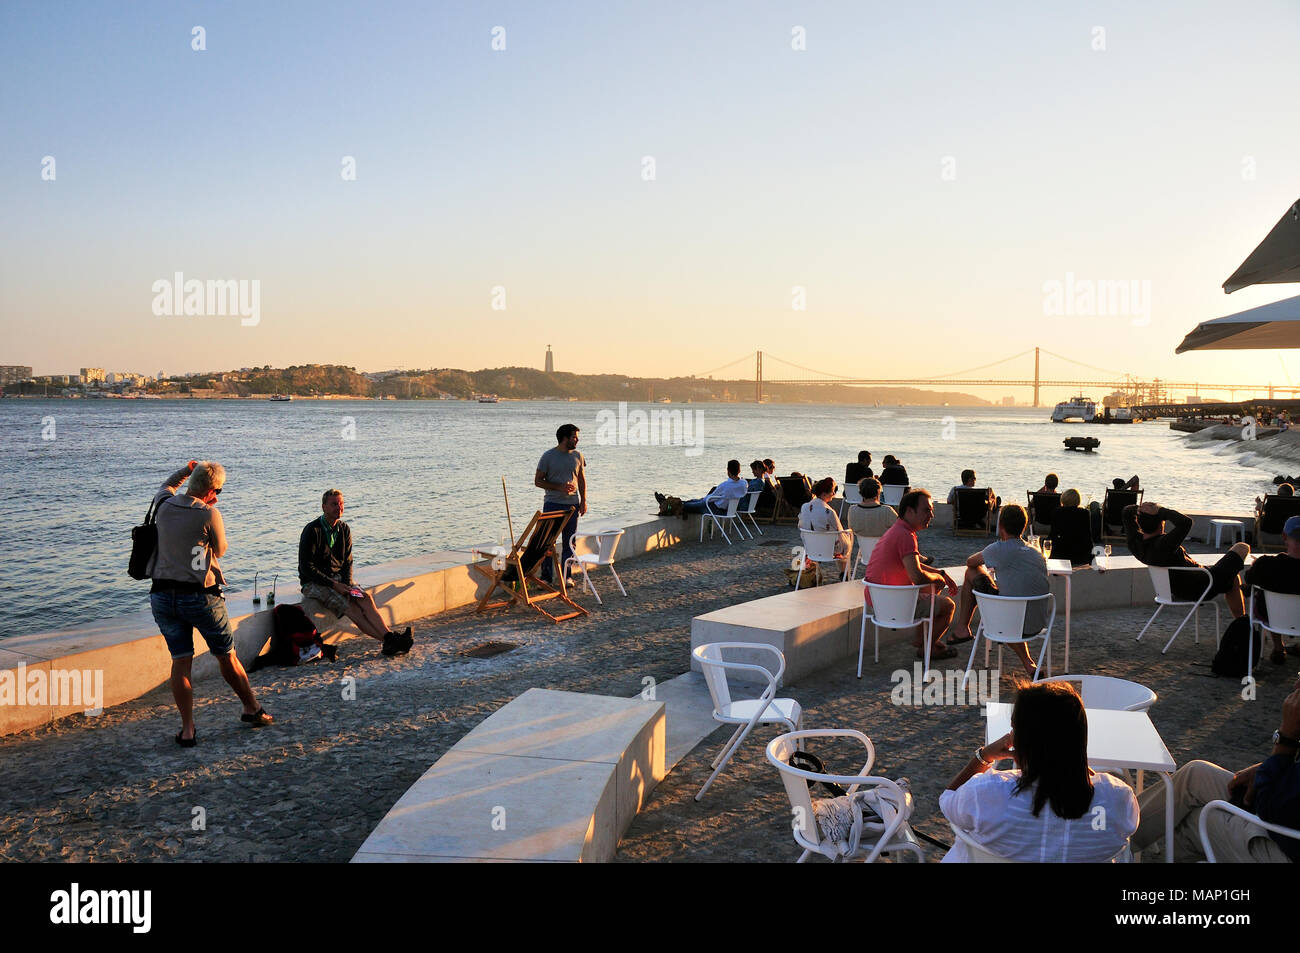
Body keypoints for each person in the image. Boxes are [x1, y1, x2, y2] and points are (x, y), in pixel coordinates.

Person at [939, 681, 1138, 862]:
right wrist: (1074, 762)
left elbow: (948, 798)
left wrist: (983, 756)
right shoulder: (1117, 798)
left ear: (1020, 741)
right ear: (1080, 738)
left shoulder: (985, 793)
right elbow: (1128, 828)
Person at [147, 461, 270, 746]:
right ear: (212, 490)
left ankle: (188, 729)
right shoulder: (209, 513)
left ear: (191, 482)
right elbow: (221, 550)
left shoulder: (163, 504)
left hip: (163, 595)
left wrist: (184, 472)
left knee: (180, 661)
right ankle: (251, 708)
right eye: (219, 490)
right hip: (200, 597)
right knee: (226, 655)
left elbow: (166, 485)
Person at [1132, 673, 1300, 862]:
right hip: (1285, 810)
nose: (1296, 684)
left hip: (1286, 843)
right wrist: (1270, 767)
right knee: (1195, 774)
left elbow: (1272, 808)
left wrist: (1286, 738)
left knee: (1192, 822)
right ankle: (1110, 839)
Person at [299, 489, 412, 658]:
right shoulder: (312, 530)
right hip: (314, 583)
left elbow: (347, 562)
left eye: (341, 504)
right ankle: (389, 640)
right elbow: (306, 568)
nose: (339, 508)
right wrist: (334, 585)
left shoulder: (344, 529)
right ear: (324, 507)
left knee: (365, 599)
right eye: (334, 504)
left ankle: (389, 638)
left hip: (338, 580)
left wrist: (347, 584)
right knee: (353, 609)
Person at [948, 504, 1050, 677]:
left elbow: (971, 562)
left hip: (1010, 623)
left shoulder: (999, 549)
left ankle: (963, 628)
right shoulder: (1036, 553)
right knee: (1013, 608)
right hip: (1037, 623)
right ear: (1023, 527)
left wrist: (993, 558)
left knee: (971, 573)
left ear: (1001, 526)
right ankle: (1029, 665)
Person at [863, 489, 958, 659]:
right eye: (927, 510)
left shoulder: (897, 530)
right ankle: (927, 647)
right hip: (895, 605)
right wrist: (938, 578)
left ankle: (922, 639)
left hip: (877, 601)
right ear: (909, 511)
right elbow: (917, 576)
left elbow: (912, 565)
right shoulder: (905, 535)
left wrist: (939, 573)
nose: (931, 515)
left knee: (934, 585)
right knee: (949, 606)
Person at [1123, 500, 1249, 617]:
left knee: (1232, 577)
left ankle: (1241, 620)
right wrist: (1160, 510)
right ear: (1162, 522)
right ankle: (1241, 620)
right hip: (1200, 586)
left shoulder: (1136, 544)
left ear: (1139, 522)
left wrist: (1141, 509)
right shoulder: (1163, 544)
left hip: (1177, 589)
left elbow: (1126, 512)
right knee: (1242, 547)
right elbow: (1186, 522)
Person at [1242, 514, 1300, 664]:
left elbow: (1248, 581)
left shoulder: (1265, 564)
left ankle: (1278, 647)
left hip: (1274, 619)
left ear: (1284, 536)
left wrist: (1256, 567)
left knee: (1266, 601)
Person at [535, 424, 586, 585]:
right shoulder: (548, 456)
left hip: (572, 505)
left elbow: (582, 479)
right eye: (574, 437)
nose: (577, 439)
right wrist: (559, 487)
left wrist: (583, 501)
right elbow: (538, 481)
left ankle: (567, 576)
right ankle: (546, 577)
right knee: (547, 541)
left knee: (569, 541)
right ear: (565, 438)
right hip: (552, 504)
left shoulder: (578, 455)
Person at [798, 477, 850, 557]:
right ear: (824, 494)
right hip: (829, 550)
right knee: (846, 537)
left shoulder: (804, 507)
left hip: (810, 548)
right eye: (832, 491)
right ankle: (843, 569)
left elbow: (801, 525)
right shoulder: (829, 512)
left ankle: (813, 563)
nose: (833, 494)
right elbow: (839, 531)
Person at [681, 459, 750, 515]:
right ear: (739, 470)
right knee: (696, 501)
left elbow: (711, 499)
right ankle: (683, 502)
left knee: (692, 505)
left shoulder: (725, 485)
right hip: (730, 510)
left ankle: (680, 504)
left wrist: (705, 499)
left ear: (728, 471)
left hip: (715, 510)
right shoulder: (744, 483)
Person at [1048, 488, 1094, 567]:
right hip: (1080, 553)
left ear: (1063, 499)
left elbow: (1053, 534)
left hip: (1061, 553)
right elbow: (1087, 535)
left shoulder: (1057, 512)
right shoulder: (1084, 513)